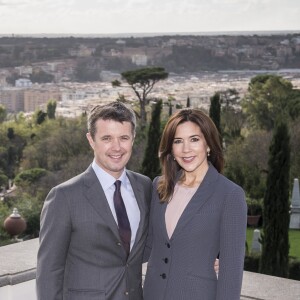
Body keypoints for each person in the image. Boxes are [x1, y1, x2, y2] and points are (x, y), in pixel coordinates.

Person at [36, 101, 152, 300]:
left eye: (123, 138)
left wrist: (205, 256)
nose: (117, 147)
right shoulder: (64, 196)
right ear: (91, 140)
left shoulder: (144, 186)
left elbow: (153, 245)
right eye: (106, 138)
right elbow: (49, 271)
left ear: (133, 138)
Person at [143, 108, 247, 300]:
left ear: (208, 144)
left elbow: (231, 273)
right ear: (171, 149)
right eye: (178, 141)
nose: (186, 149)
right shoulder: (159, 185)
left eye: (194, 139)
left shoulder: (230, 195)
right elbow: (149, 245)